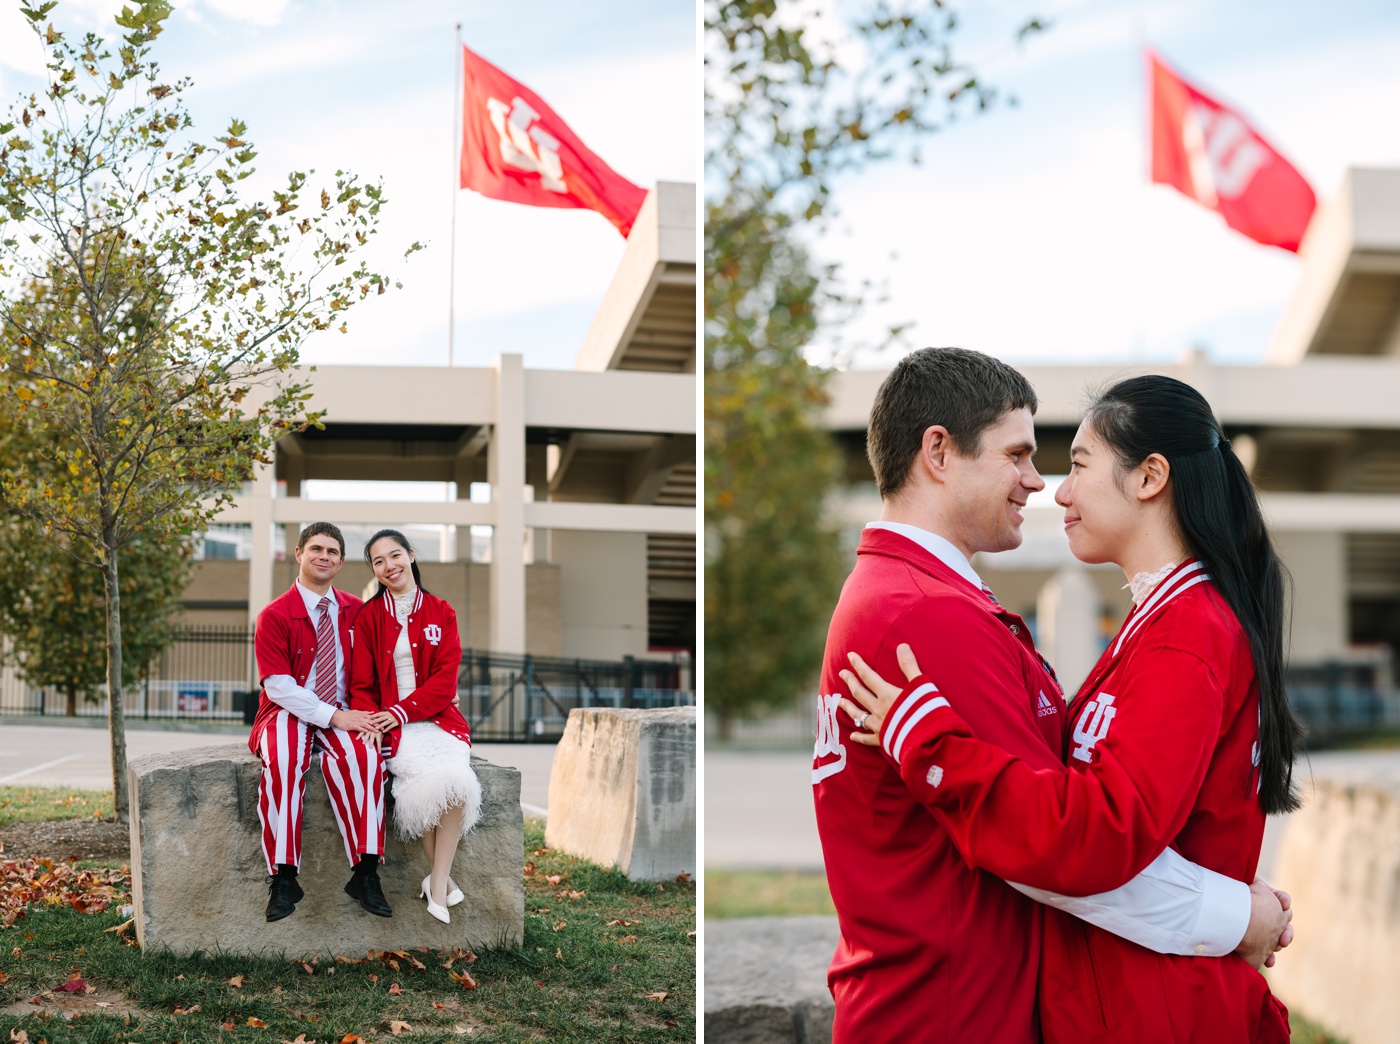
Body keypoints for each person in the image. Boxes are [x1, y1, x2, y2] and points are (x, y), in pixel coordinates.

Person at [811, 349, 1291, 1043]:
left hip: (1144, 1004)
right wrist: (1238, 917)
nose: (1047, 486)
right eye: (1020, 455)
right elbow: (1062, 851)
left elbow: (1084, 837)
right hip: (954, 1017)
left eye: (1075, 464)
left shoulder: (1177, 628)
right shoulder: (923, 614)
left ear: (1151, 477)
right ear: (939, 452)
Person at [248, 521, 391, 922]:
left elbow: (385, 662)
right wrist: (335, 716)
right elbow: (278, 686)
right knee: (282, 758)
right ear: (299, 554)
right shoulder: (275, 614)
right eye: (316, 549)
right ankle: (284, 876)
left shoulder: (356, 610)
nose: (323, 556)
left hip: (346, 708)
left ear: (341, 562)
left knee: (365, 759)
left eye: (332, 551)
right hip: (288, 711)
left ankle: (364, 872)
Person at [350, 529, 480, 925]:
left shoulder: (442, 611)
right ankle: (441, 887)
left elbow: (445, 681)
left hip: (438, 720)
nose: (389, 566)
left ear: (410, 555)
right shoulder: (368, 616)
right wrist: (373, 720)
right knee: (420, 787)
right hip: (396, 729)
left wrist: (403, 711)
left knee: (457, 782)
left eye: (395, 556)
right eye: (378, 561)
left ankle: (436, 882)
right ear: (373, 569)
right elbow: (361, 684)